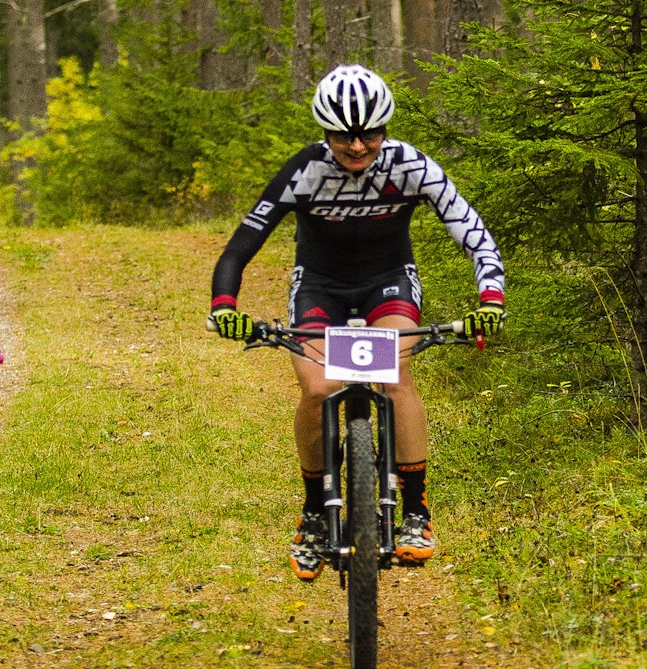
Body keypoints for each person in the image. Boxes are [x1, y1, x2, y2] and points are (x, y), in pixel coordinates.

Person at [208, 65, 505, 581]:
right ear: (325, 132)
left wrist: (491, 296)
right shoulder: (304, 171)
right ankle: (314, 514)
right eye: (343, 135)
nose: (357, 146)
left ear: (384, 128)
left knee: (393, 375)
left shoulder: (410, 165)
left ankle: (416, 512)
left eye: (368, 133)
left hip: (387, 283)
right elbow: (240, 245)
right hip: (319, 286)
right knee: (320, 388)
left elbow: (471, 230)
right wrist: (225, 306)